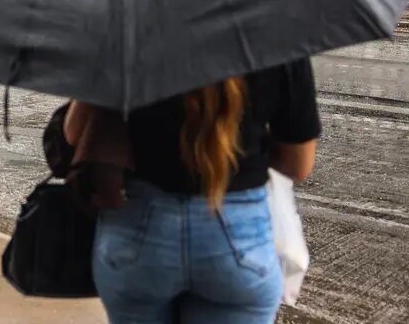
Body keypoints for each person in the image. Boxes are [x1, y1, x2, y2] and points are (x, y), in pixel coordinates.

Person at [75, 61, 320, 323]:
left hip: (138, 234)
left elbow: (73, 132)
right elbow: (298, 163)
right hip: (239, 240)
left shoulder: (127, 31)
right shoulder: (276, 33)